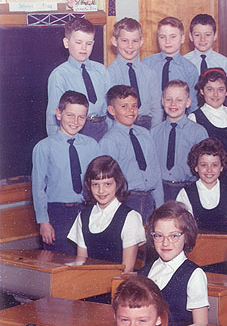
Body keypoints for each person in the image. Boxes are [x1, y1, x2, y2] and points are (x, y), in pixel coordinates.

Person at [32, 91, 100, 254]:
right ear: (58, 114)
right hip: (58, 213)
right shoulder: (44, 147)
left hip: (87, 210)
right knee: (60, 259)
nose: (75, 122)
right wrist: (44, 222)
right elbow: (38, 188)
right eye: (70, 115)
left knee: (90, 260)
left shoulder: (92, 145)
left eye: (81, 117)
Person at [68, 155, 145, 272]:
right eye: (95, 184)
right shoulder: (83, 217)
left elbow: (127, 269)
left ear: (117, 184)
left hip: (118, 282)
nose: (101, 190)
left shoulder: (130, 217)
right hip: (89, 280)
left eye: (107, 184)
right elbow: (81, 262)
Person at [99, 85, 164, 220]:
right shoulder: (109, 141)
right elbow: (108, 180)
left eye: (134, 105)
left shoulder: (145, 134)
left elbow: (155, 170)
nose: (131, 110)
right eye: (124, 106)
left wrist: (159, 203)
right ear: (111, 110)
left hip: (149, 199)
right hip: (126, 200)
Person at [140, 201, 209, 326]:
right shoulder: (145, 272)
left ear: (186, 236)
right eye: (159, 235)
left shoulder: (194, 275)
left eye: (174, 236)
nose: (165, 243)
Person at [46, 17, 111, 139]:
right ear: (66, 43)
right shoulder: (59, 75)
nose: (84, 48)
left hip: (103, 129)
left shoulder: (102, 71)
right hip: (77, 130)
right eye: (78, 42)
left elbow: (110, 107)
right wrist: (57, 143)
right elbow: (53, 116)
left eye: (88, 43)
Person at [151, 80, 208, 201]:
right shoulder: (153, 133)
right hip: (161, 189)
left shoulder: (198, 132)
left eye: (179, 100)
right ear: (162, 101)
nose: (173, 104)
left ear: (188, 102)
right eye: (168, 99)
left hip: (188, 188)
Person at [189, 68, 227, 188]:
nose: (215, 94)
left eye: (220, 89)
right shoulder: (194, 118)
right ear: (202, 91)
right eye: (210, 89)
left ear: (226, 92)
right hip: (206, 179)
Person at [177, 137, 227, 235]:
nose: (209, 170)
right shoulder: (185, 194)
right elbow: (184, 231)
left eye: (214, 165)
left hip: (224, 244)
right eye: (203, 165)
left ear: (221, 167)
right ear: (196, 167)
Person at [106, 17, 161, 129]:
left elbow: (157, 108)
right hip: (120, 126)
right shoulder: (108, 74)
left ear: (141, 42)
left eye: (135, 41)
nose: (130, 46)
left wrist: (154, 132)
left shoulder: (149, 73)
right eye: (124, 40)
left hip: (147, 125)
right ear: (115, 41)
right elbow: (108, 111)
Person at [185, 13, 227, 110]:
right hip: (191, 112)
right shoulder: (184, 61)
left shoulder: (224, 62)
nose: (202, 39)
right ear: (191, 36)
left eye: (208, 35)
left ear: (215, 35)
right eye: (197, 35)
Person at [142, 16, 199, 94]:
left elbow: (192, 99)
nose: (167, 41)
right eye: (162, 37)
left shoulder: (190, 69)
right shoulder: (146, 63)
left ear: (182, 38)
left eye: (173, 36)